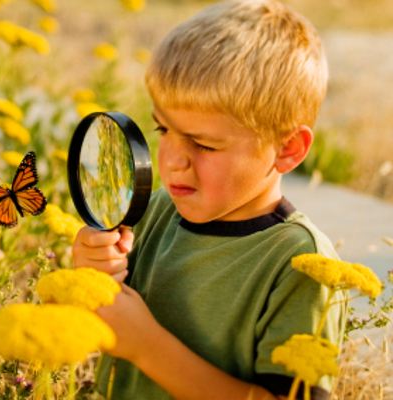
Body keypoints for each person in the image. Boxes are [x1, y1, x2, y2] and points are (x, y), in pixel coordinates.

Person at [72, 1, 347, 399]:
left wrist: (149, 347)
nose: (171, 160)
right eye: (162, 128)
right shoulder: (156, 211)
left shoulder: (301, 267)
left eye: (204, 144)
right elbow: (107, 328)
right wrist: (95, 273)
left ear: (287, 149)